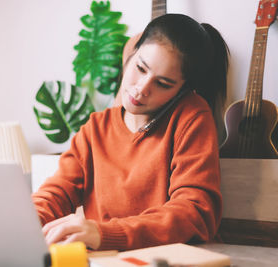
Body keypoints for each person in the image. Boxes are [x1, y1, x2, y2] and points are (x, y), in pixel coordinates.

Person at [32, 13, 230, 251]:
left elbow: (194, 212)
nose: (141, 88)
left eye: (163, 83)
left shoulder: (192, 116)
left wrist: (103, 233)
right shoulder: (96, 127)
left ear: (182, 89)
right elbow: (57, 192)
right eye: (140, 68)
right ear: (131, 54)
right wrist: (28, 221)